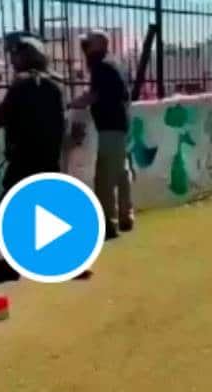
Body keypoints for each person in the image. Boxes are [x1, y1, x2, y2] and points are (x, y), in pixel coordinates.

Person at [0, 33, 66, 198]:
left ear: (23, 57)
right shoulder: (55, 83)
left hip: (25, 158)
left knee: (12, 201)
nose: (12, 61)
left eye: (14, 56)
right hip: (50, 157)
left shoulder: (23, 82)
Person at [69, 30, 134, 240]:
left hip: (110, 127)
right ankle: (125, 216)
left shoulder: (101, 66)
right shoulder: (115, 64)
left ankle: (108, 224)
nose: (85, 48)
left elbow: (94, 96)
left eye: (87, 44)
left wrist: (71, 104)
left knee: (105, 177)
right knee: (121, 173)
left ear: (98, 45)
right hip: (121, 124)